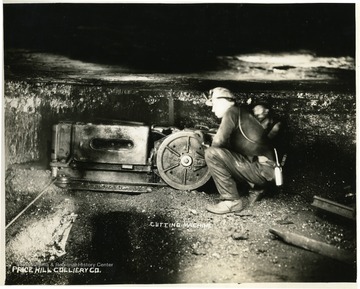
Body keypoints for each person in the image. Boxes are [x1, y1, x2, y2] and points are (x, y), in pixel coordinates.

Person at [204, 87, 277, 214]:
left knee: (211, 154)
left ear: (222, 102)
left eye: (214, 105)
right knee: (222, 155)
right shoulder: (241, 113)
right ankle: (255, 189)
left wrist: (205, 151)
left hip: (261, 170)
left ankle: (231, 201)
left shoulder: (231, 112)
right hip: (266, 170)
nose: (212, 109)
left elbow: (218, 143)